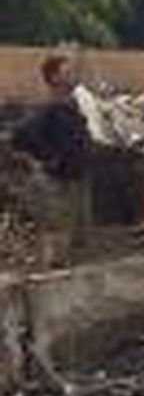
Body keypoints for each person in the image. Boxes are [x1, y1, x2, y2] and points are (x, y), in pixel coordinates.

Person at [12, 55, 92, 267]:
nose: (72, 75)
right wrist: (39, 162)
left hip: (77, 176)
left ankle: (65, 271)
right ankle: (52, 274)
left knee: (76, 235)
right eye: (66, 72)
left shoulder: (72, 107)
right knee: (55, 232)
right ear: (54, 78)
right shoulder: (47, 110)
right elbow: (19, 139)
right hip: (57, 181)